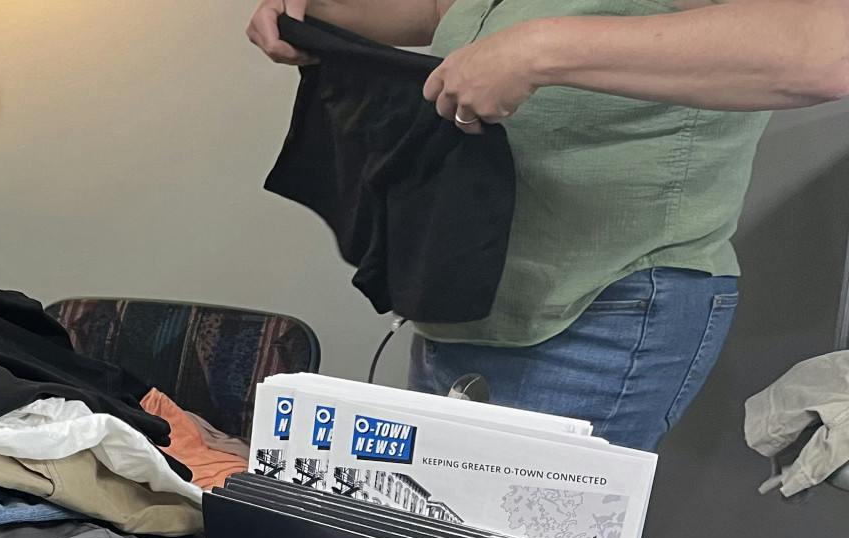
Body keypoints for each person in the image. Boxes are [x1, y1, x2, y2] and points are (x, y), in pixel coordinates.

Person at [246, 0, 849, 450]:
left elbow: (826, 48)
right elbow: (457, 8)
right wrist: (321, 8)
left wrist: (539, 50)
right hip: (472, 285)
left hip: (606, 298)